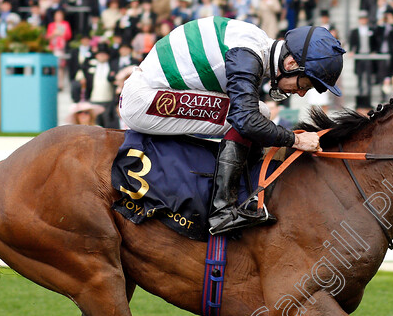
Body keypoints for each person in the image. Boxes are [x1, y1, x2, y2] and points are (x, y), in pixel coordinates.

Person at [118, 18, 345, 234]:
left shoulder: (256, 46)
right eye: (305, 83)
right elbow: (246, 121)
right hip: (145, 100)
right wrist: (296, 140)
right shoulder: (248, 55)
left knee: (257, 112)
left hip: (153, 91)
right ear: (291, 63)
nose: (302, 92)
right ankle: (223, 211)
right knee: (255, 115)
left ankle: (241, 194)